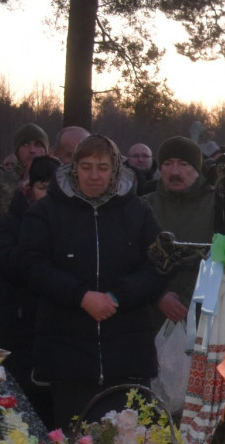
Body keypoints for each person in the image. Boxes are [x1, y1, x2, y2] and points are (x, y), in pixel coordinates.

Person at [20, 135, 168, 427]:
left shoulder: (138, 211)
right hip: (68, 356)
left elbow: (158, 266)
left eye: (102, 167)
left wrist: (117, 297)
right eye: (86, 167)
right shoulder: (46, 211)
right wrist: (80, 296)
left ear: (115, 168)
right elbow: (30, 266)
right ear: (74, 167)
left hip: (127, 354)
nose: (94, 175)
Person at [0, 155, 61, 424]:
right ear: (30, 188)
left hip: (60, 331)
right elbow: (10, 264)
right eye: (43, 187)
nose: (48, 195)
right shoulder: (11, 223)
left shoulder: (69, 221)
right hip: (21, 328)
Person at [142, 136, 217, 329]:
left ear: (197, 169)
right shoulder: (144, 206)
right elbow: (132, 258)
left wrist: (188, 297)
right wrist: (159, 295)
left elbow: (222, 258)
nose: (174, 171)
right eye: (168, 164)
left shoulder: (218, 206)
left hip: (204, 312)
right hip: (151, 312)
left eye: (183, 164)